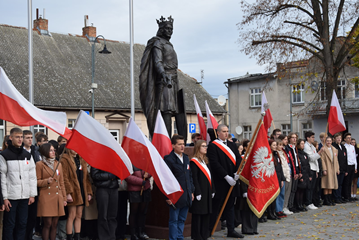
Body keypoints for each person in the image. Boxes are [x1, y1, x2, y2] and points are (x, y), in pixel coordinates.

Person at [0, 127, 37, 240]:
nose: (20, 139)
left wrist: (32, 194)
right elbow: (2, 178)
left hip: (25, 196)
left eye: (21, 137)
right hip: (11, 196)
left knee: (22, 224)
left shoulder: (27, 155)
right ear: (11, 138)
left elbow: (32, 176)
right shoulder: (4, 155)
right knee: (10, 225)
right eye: (17, 137)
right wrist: (5, 198)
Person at [207, 124, 243, 238]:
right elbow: (214, 163)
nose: (226, 133)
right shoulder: (213, 146)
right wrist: (226, 176)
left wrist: (237, 172)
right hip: (220, 181)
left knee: (230, 206)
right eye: (223, 131)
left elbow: (238, 158)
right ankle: (210, 229)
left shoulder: (232, 144)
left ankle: (231, 230)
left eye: (227, 131)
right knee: (216, 206)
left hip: (233, 179)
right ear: (218, 133)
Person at [164, 135, 194, 240]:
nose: (182, 146)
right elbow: (166, 179)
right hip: (175, 195)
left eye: (183, 144)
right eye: (179, 144)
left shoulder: (185, 158)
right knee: (174, 220)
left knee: (182, 219)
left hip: (186, 194)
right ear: (173, 145)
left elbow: (189, 176)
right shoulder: (168, 159)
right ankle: (173, 238)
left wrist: (191, 191)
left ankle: (180, 237)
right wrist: (167, 196)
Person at [36, 143, 67, 240]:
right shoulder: (39, 164)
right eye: (51, 150)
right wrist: (46, 181)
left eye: (54, 150)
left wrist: (64, 198)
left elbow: (61, 183)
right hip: (46, 197)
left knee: (54, 224)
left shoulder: (58, 164)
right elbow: (36, 181)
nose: (54, 152)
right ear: (45, 151)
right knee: (48, 224)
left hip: (57, 197)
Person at [61, 148, 93, 240]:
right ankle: (69, 236)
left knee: (79, 215)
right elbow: (65, 178)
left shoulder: (81, 159)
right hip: (73, 192)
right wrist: (68, 193)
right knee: (72, 215)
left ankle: (77, 236)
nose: (75, 149)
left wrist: (88, 192)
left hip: (82, 191)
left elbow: (86, 178)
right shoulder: (65, 159)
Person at [190, 140, 215, 240]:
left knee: (206, 213)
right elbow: (194, 178)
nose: (206, 148)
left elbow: (210, 176)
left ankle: (204, 234)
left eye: (206, 146)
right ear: (198, 148)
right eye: (203, 146)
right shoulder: (194, 161)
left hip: (207, 191)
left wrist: (213, 189)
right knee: (198, 214)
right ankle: (197, 235)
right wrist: (197, 192)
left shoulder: (205, 160)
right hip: (200, 192)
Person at [23, 130, 42, 240]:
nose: (30, 139)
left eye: (31, 137)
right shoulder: (20, 152)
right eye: (27, 137)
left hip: (34, 187)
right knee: (23, 218)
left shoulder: (36, 151)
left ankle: (29, 236)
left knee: (32, 217)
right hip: (24, 188)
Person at [91, 167, 119, 240]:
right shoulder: (98, 159)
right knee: (103, 215)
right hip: (102, 188)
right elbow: (94, 175)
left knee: (113, 215)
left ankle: (112, 236)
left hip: (114, 188)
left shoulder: (115, 160)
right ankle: (104, 237)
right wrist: (108, 176)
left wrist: (117, 174)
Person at [126, 167, 152, 240]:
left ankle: (141, 232)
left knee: (143, 212)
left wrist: (148, 175)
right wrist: (140, 181)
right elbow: (127, 176)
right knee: (134, 212)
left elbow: (151, 170)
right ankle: (133, 233)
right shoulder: (129, 162)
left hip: (145, 189)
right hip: (134, 190)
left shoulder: (145, 160)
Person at [319, 136, 339, 206]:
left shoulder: (334, 149)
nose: (329, 142)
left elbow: (336, 160)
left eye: (330, 141)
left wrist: (337, 169)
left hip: (333, 169)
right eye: (327, 141)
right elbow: (322, 160)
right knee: (326, 185)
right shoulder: (323, 149)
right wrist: (324, 169)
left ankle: (330, 199)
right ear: (325, 141)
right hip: (327, 168)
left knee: (331, 185)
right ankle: (326, 200)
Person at [303, 131, 321, 210]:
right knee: (309, 187)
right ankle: (308, 202)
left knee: (313, 187)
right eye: (312, 137)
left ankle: (311, 201)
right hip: (310, 168)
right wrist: (320, 152)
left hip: (314, 168)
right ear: (308, 138)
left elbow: (316, 160)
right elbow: (311, 158)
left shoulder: (312, 146)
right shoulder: (306, 146)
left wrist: (317, 170)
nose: (314, 138)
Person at [268, 140, 285, 220]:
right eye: (273, 145)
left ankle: (274, 212)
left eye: (275, 145)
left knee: (275, 196)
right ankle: (270, 213)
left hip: (278, 177)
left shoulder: (276, 154)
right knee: (271, 197)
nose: (275, 146)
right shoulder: (269, 155)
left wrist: (282, 179)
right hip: (271, 178)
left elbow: (280, 168)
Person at [285, 132, 301, 213]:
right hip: (292, 170)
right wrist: (294, 172)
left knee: (294, 189)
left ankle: (292, 204)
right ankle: (289, 205)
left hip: (296, 168)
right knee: (291, 189)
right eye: (293, 137)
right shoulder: (288, 148)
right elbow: (291, 161)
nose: (294, 139)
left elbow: (297, 160)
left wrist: (299, 171)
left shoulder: (295, 148)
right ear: (289, 139)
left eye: (295, 138)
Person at [278, 134, 294, 215]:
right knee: (283, 192)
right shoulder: (278, 153)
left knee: (288, 192)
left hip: (288, 172)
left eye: (287, 139)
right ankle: (282, 208)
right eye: (284, 139)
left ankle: (285, 206)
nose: (286, 141)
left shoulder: (285, 150)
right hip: (283, 174)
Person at [276, 139, 291, 217]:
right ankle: (277, 210)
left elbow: (286, 165)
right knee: (278, 194)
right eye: (279, 145)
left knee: (282, 194)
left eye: (282, 145)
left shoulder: (283, 153)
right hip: (280, 176)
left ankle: (280, 209)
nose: (281, 146)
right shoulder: (277, 154)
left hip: (284, 175)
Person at [332, 133, 348, 203]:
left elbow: (345, 158)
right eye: (337, 138)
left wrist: (346, 169)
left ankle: (340, 196)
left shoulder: (343, 146)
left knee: (341, 184)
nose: (339, 139)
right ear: (334, 139)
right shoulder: (334, 147)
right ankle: (336, 197)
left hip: (343, 168)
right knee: (337, 184)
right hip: (337, 168)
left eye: (340, 138)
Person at [296, 139, 310, 212]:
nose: (303, 145)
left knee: (303, 190)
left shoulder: (304, 153)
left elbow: (307, 164)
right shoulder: (297, 153)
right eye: (301, 144)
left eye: (303, 144)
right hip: (301, 173)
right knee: (299, 190)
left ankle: (301, 204)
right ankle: (298, 204)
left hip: (306, 173)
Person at [343, 133, 357, 202]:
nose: (349, 139)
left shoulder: (352, 147)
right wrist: (345, 168)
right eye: (348, 137)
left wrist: (355, 167)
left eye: (350, 137)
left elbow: (354, 157)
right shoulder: (344, 147)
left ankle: (350, 195)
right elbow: (345, 158)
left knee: (350, 182)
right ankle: (346, 196)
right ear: (345, 139)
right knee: (347, 182)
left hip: (352, 165)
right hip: (347, 165)